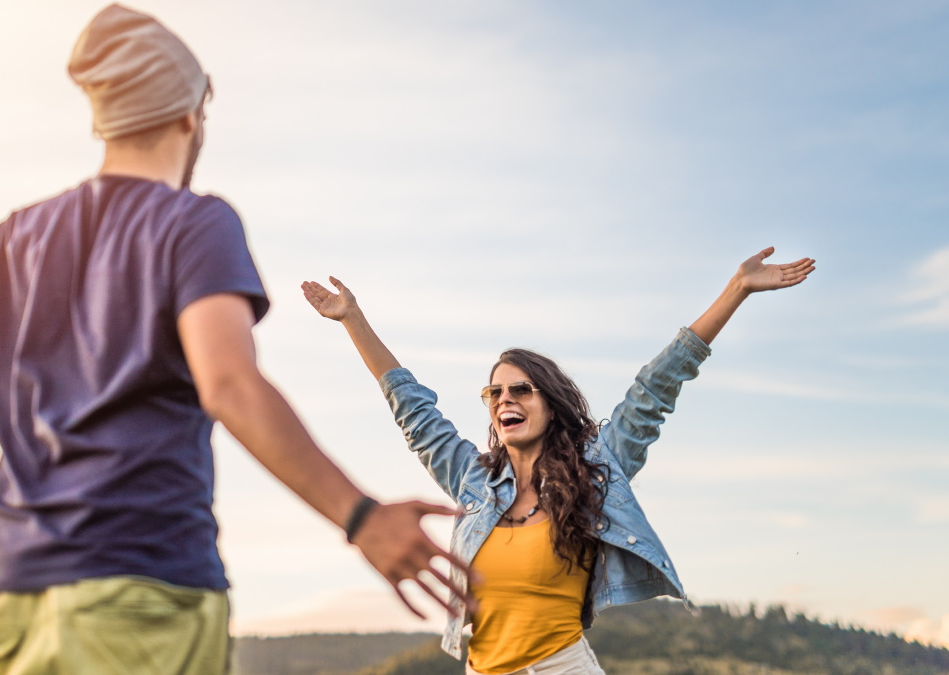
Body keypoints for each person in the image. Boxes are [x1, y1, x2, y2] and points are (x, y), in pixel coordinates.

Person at [0, 6, 474, 674]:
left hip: (17, 603)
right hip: (143, 595)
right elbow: (226, 384)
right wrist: (358, 515)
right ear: (192, 115)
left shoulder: (17, 239)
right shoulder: (192, 224)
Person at [301, 247, 815, 675]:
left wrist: (736, 290)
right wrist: (353, 320)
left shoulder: (598, 469)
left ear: (551, 402)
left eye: (521, 390)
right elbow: (414, 410)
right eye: (495, 392)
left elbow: (656, 387)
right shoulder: (473, 480)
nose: (506, 400)